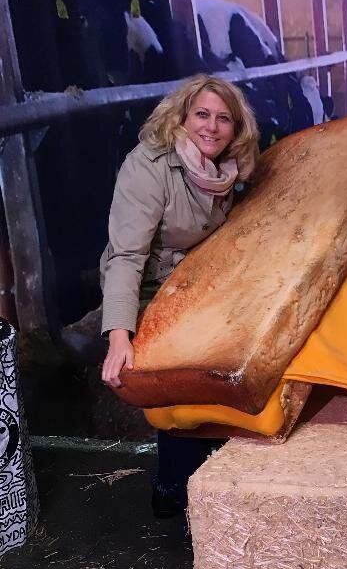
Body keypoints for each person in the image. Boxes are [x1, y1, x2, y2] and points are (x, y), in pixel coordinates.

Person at [100, 74, 259, 517]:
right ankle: (175, 490)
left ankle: (205, 485)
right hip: (148, 286)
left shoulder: (229, 169)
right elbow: (126, 257)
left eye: (223, 118)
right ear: (182, 118)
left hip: (196, 283)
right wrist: (119, 335)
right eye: (202, 114)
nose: (211, 126)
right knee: (183, 374)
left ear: (236, 128)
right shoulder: (148, 166)